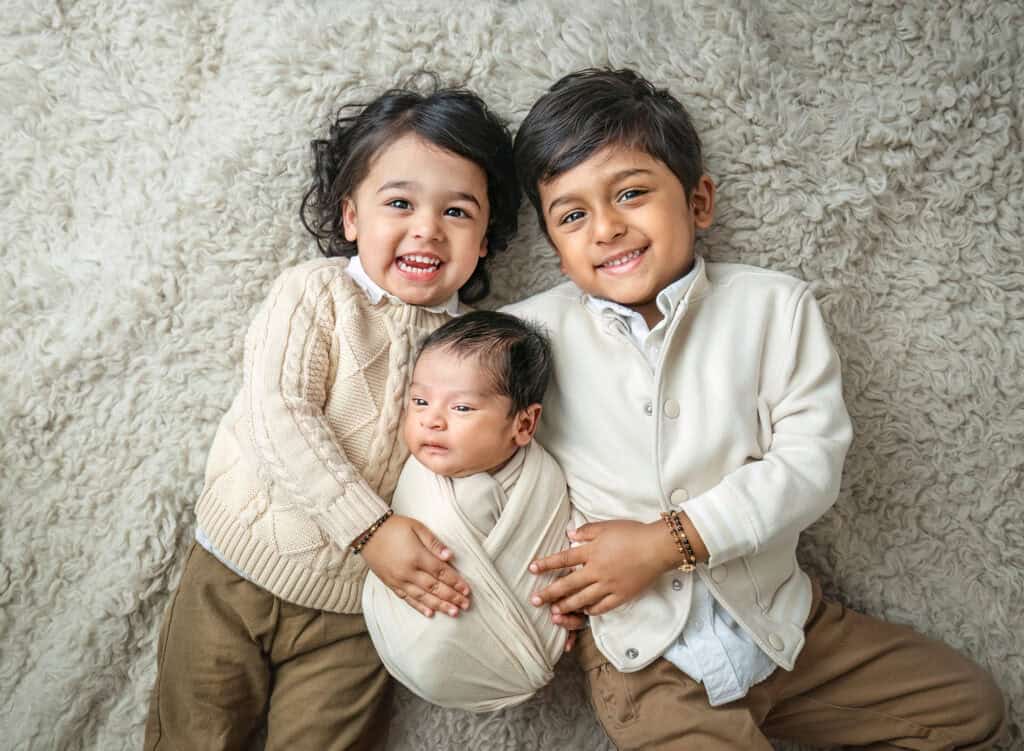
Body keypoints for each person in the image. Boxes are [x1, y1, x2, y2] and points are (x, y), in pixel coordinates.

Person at [505, 68, 1007, 750]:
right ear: (556, 248)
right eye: (572, 215)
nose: (608, 228)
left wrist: (666, 540)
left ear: (700, 200)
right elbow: (455, 429)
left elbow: (808, 464)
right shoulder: (525, 336)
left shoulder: (773, 306)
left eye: (631, 193)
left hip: (787, 627)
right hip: (647, 658)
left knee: (971, 706)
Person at [144, 82, 521, 751]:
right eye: (399, 203)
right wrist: (371, 527)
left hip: (356, 610)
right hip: (236, 568)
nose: (427, 228)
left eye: (457, 212)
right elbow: (279, 416)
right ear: (351, 217)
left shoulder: (477, 350)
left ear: (486, 239)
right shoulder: (316, 295)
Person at [362, 310, 572, 712]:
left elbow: (559, 551)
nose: (431, 421)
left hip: (519, 655)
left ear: (524, 425)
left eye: (461, 408)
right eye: (419, 401)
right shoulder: (412, 474)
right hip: (402, 637)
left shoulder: (543, 481)